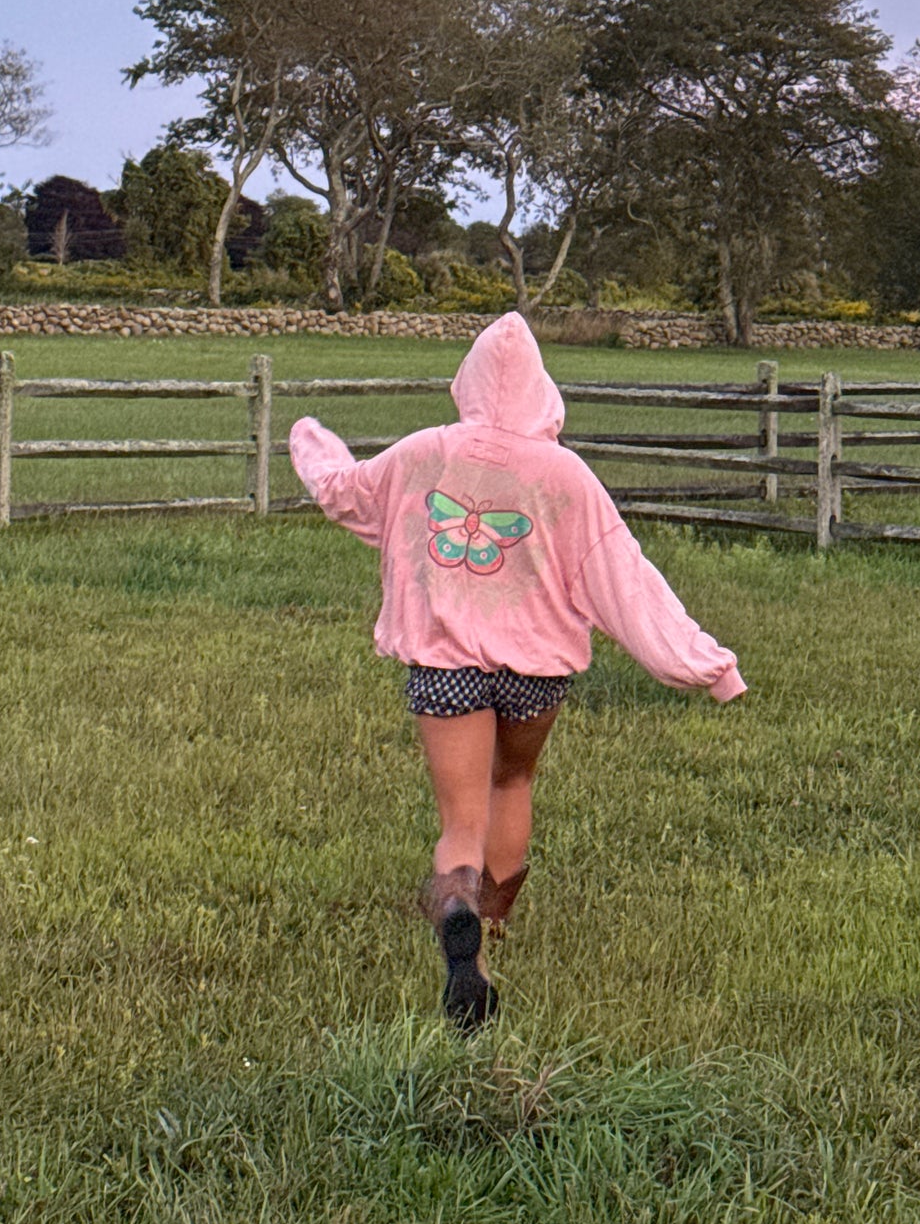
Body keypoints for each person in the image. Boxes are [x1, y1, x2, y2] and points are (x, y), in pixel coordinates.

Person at [289, 311, 745, 1031]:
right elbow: (627, 581)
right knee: (513, 780)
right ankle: (495, 925)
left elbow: (345, 490)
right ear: (543, 390)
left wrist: (310, 440)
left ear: (468, 381)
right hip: (536, 672)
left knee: (460, 820)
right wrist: (708, 666)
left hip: (445, 665)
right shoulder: (566, 476)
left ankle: (460, 917)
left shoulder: (423, 452)